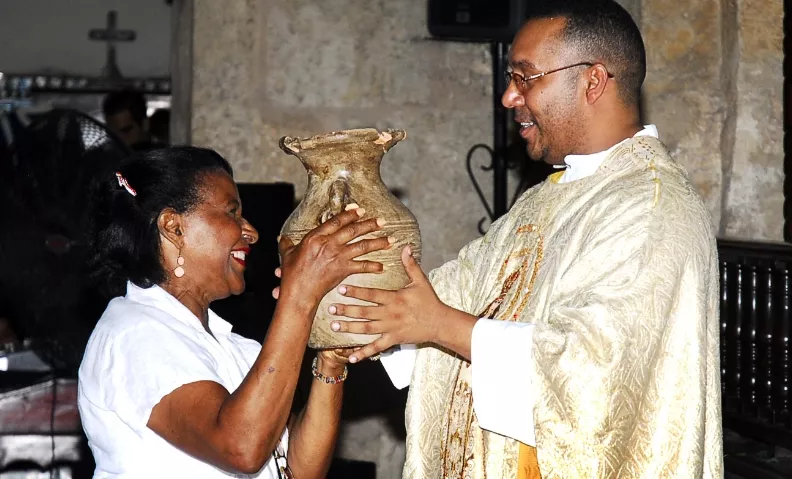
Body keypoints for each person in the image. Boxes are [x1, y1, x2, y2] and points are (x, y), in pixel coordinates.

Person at [326, 0, 723, 477]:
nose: (509, 98)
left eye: (525, 77)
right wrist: (333, 291)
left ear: (592, 80)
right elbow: (444, 297)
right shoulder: (543, 201)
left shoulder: (655, 208)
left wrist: (439, 325)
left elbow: (593, 376)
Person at [79, 146, 391, 478]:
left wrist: (330, 361)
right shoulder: (134, 333)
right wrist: (299, 296)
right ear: (173, 227)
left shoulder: (238, 348)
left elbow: (298, 471)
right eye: (232, 212)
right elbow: (241, 448)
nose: (251, 233)